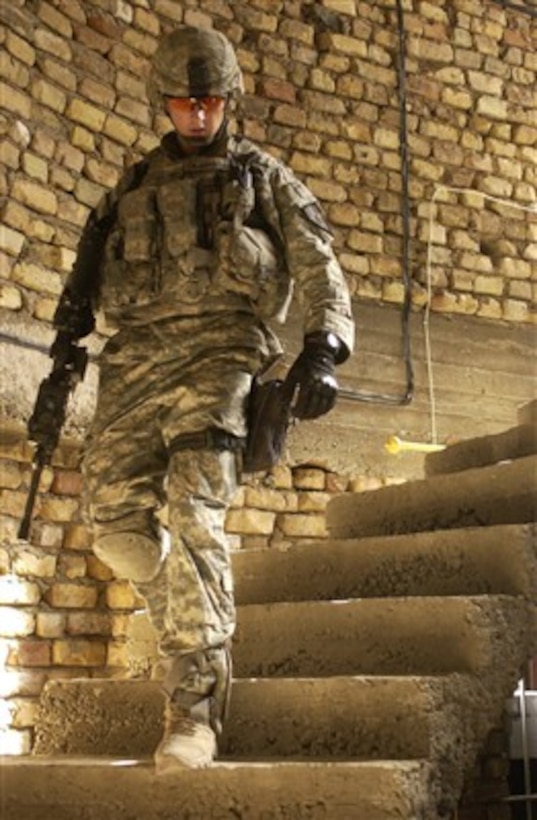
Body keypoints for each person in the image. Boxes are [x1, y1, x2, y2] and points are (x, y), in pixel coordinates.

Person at [53, 25, 355, 772]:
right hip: (134, 362)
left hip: (223, 354)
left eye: (209, 101)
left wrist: (323, 349)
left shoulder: (263, 178)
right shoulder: (130, 188)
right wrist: (65, 352)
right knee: (117, 530)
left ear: (230, 101)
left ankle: (192, 709)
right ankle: (191, 610)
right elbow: (83, 282)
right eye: (184, 103)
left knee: (193, 515)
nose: (196, 116)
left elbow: (320, 265)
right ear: (164, 102)